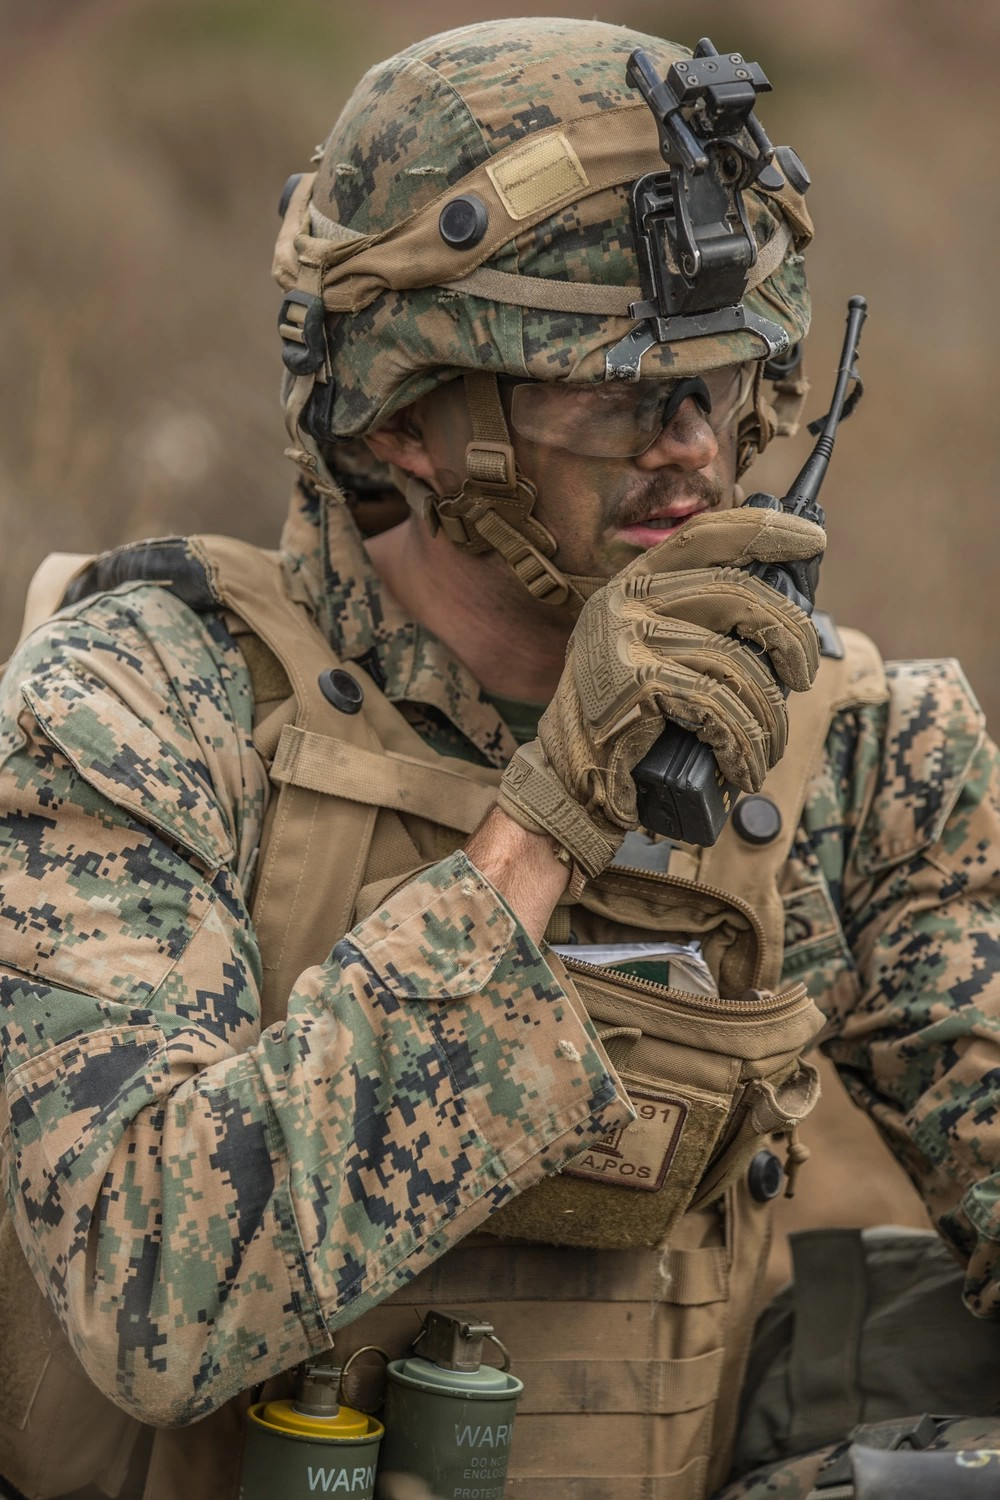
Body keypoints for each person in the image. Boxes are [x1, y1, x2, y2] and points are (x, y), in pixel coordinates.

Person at [0, 18, 998, 1500]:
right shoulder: (140, 711)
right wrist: (541, 829)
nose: (696, 453)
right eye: (618, 392)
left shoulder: (854, 751)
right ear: (408, 416)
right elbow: (156, 1293)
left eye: (724, 383)